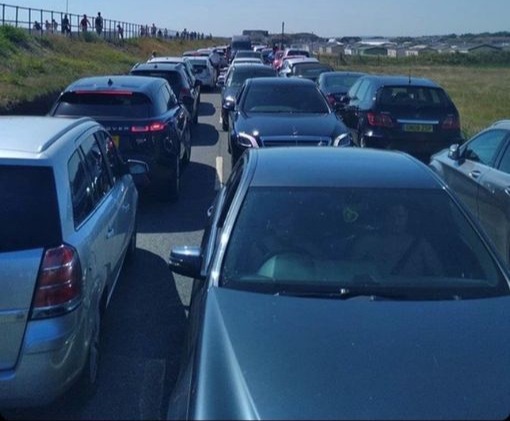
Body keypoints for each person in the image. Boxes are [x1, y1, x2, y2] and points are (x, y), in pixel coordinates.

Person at [351, 203, 443, 277]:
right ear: (384, 217)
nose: (396, 222)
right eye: (391, 217)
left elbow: (439, 275)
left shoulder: (421, 246)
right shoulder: (366, 243)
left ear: (407, 217)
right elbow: (350, 272)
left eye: (400, 217)